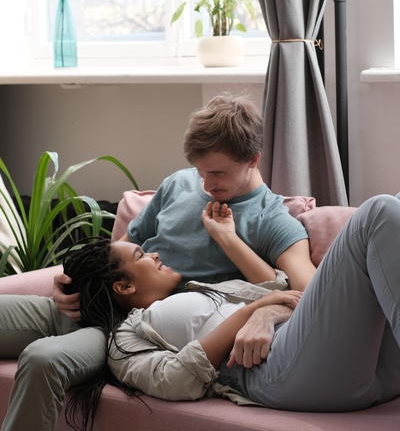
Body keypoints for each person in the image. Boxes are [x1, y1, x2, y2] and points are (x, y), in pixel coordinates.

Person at [0, 92, 316, 431]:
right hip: (89, 300)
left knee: (42, 360)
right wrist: (69, 281)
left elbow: (313, 294)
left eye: (218, 173)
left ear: (253, 159)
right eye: (201, 171)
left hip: (127, 330)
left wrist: (228, 240)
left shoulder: (272, 219)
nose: (207, 184)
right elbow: (122, 248)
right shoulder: (179, 183)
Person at [29, 192, 400, 430]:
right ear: (124, 287)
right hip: (280, 371)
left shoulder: (205, 288)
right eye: (141, 255)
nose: (154, 254)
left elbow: (295, 297)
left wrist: (266, 313)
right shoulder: (125, 339)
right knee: (378, 211)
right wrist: (251, 312)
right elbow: (175, 380)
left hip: (367, 364)